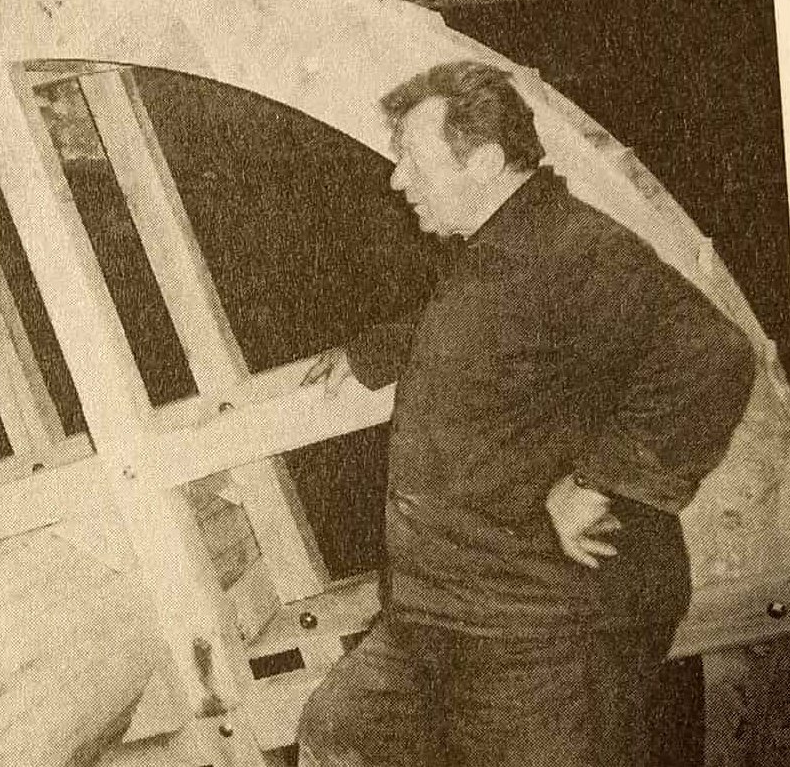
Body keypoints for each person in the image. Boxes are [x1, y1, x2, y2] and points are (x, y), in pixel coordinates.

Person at [296, 61, 755, 767]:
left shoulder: (576, 247)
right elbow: (496, 329)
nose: (397, 179)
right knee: (341, 733)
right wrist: (374, 352)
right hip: (451, 609)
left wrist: (600, 483)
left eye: (411, 158)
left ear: (483, 162)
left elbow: (714, 354)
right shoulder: (504, 248)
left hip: (545, 625)